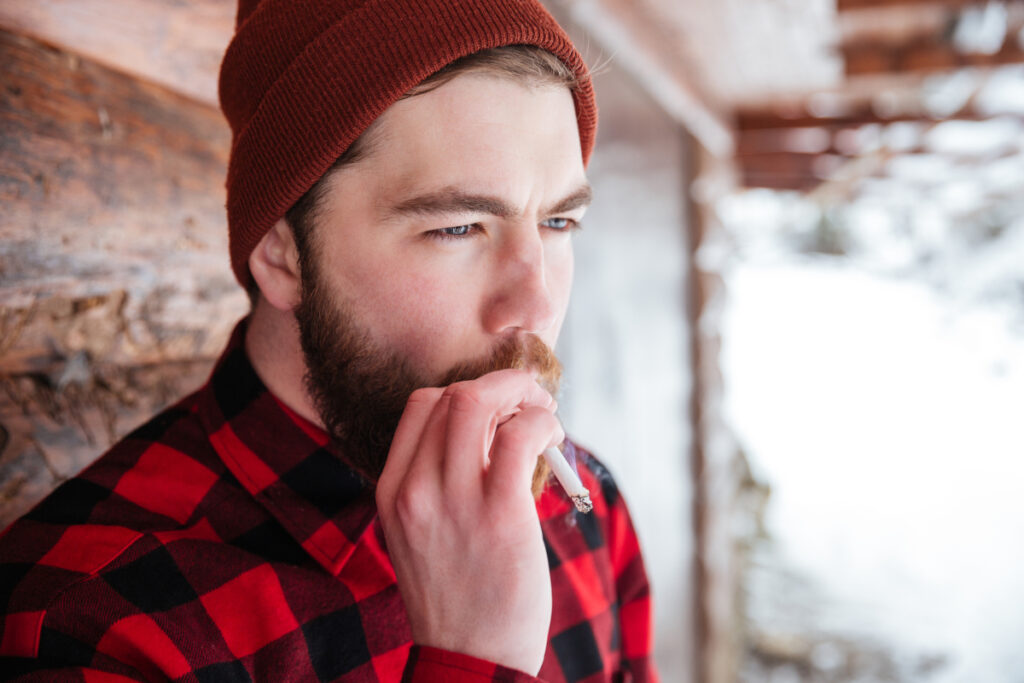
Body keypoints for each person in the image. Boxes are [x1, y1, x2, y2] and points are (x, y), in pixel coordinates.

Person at [0, 0, 658, 680]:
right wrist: (475, 661)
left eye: (558, 223)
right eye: (458, 228)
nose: (539, 301)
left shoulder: (586, 508)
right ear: (281, 254)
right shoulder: (93, 620)